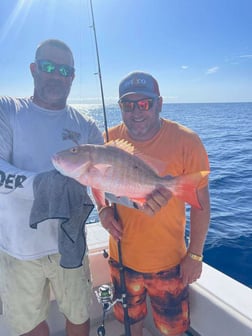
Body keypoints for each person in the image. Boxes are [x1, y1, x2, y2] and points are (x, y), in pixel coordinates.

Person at [0, 39, 103, 336]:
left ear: (72, 76)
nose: (55, 75)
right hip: (17, 249)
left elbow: (108, 180)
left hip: (70, 245)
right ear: (33, 69)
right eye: (48, 67)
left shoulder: (86, 125)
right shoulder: (8, 110)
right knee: (30, 326)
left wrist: (137, 199)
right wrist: (42, 183)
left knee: (79, 315)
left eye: (64, 70)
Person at [97, 71, 210, 336]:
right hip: (122, 259)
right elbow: (96, 183)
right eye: (128, 105)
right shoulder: (107, 140)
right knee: (130, 323)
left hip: (169, 262)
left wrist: (194, 254)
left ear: (159, 103)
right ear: (120, 107)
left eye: (144, 103)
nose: (137, 112)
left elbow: (201, 204)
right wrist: (102, 209)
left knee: (172, 330)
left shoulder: (187, 142)